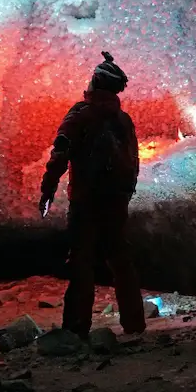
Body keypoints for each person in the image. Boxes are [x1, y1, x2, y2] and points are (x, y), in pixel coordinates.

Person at [39, 51, 146, 339]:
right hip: (116, 200)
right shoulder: (124, 120)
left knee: (82, 261)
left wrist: (48, 188)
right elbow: (133, 160)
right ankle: (134, 323)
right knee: (120, 257)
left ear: (95, 81)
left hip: (86, 200)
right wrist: (125, 193)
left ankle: (76, 327)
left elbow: (61, 152)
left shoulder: (80, 114)